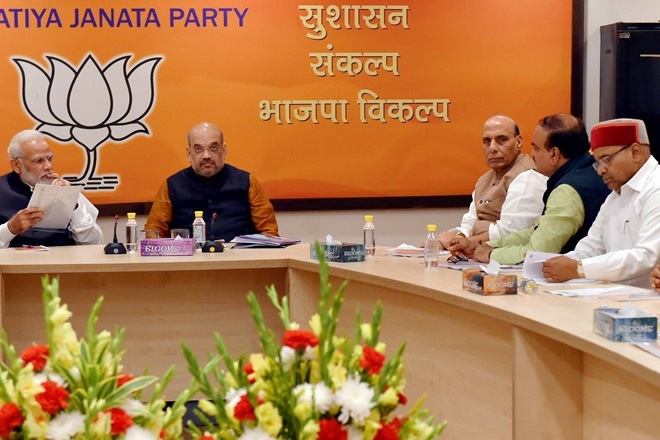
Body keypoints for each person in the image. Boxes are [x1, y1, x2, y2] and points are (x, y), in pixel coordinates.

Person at [449, 114, 610, 264]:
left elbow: (538, 253)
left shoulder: (567, 190)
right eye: (486, 141)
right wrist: (487, 245)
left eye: (536, 149)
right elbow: (537, 231)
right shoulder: (587, 171)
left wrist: (491, 254)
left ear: (554, 154)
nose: (532, 155)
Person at [542, 119, 660, 287]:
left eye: (607, 159)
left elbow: (646, 257)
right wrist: (554, 265)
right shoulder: (614, 196)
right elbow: (591, 247)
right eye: (597, 163)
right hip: (618, 295)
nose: (601, 170)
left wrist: (579, 269)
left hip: (649, 299)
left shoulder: (656, 188)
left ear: (635, 152)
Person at [145, 122, 278, 242]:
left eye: (214, 148)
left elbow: (269, 234)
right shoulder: (172, 186)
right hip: (189, 259)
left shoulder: (246, 182)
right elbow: (153, 233)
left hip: (240, 259)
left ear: (223, 151)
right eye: (198, 149)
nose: (206, 156)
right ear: (189, 153)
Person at [437, 115, 547, 249]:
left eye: (502, 140)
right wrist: (455, 239)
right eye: (487, 141)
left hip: (507, 257)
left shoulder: (528, 177)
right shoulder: (484, 180)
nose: (492, 148)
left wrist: (459, 243)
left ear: (518, 142)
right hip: (478, 254)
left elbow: (510, 234)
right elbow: (468, 224)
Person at [0, 130, 103, 248]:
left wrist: (72, 202)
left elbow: (95, 243)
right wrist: (10, 229)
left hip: (65, 259)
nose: (48, 166)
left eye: (50, 158)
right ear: (16, 165)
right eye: (38, 161)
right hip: (17, 259)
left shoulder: (65, 189)